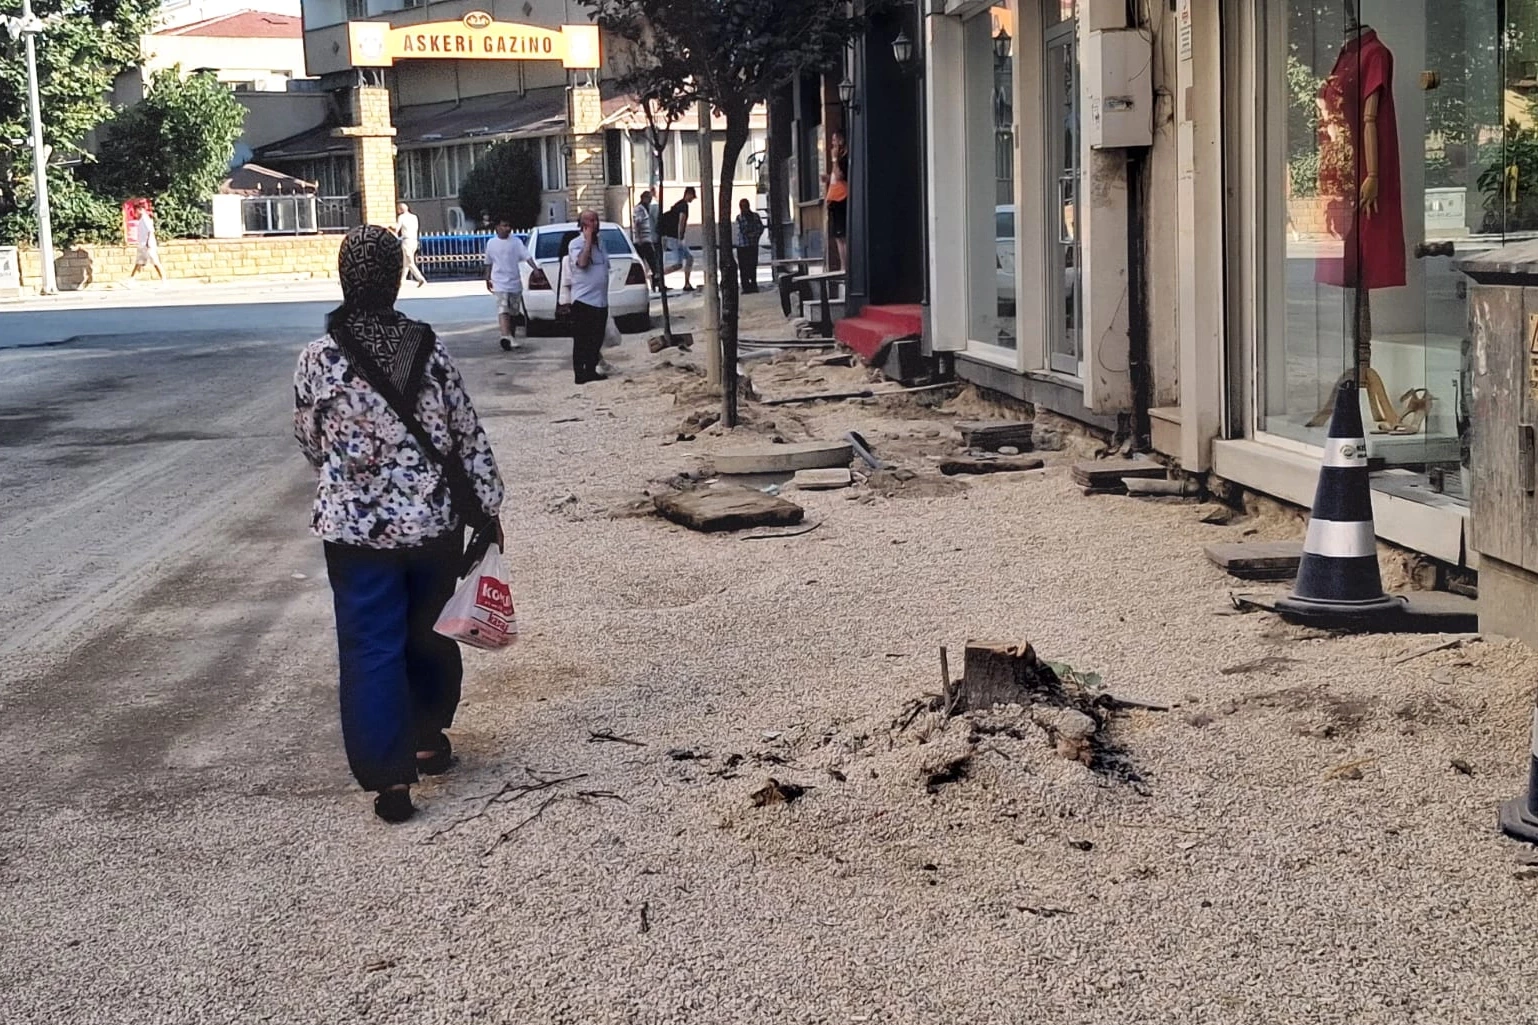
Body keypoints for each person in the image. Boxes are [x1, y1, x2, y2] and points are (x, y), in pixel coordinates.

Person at [293, 224, 505, 824]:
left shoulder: (317, 358)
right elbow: (464, 432)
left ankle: (389, 782)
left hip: (356, 533)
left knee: (369, 646)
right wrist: (487, 510)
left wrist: (350, 480)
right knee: (429, 631)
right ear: (392, 279)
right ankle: (429, 738)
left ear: (345, 278)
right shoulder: (428, 349)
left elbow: (310, 441)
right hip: (431, 525)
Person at [567, 209, 610, 384]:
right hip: (584, 300)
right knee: (582, 339)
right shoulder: (576, 244)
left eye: (597, 220)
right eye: (591, 221)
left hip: (600, 300)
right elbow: (583, 263)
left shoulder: (601, 242)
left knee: (597, 338)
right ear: (583, 225)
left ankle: (591, 369)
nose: (595, 224)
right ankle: (580, 373)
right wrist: (587, 241)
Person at [484, 218, 538, 352]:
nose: (507, 228)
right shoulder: (491, 243)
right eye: (504, 225)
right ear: (497, 227)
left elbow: (527, 256)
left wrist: (535, 269)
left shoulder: (516, 242)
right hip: (499, 282)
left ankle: (511, 337)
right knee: (503, 309)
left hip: (514, 282)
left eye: (509, 225)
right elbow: (488, 261)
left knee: (513, 312)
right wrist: (487, 278)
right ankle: (505, 336)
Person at [659, 186, 696, 293]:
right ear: (688, 194)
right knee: (679, 264)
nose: (692, 199)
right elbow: (681, 221)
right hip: (674, 237)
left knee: (689, 258)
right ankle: (658, 276)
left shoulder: (677, 205)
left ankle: (687, 283)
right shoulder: (683, 206)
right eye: (692, 196)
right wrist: (680, 237)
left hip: (669, 236)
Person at [824, 132, 850, 272]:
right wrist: (828, 178)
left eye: (835, 139)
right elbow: (836, 177)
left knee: (842, 236)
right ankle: (843, 265)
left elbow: (840, 175)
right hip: (835, 198)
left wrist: (834, 159)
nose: (832, 143)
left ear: (841, 140)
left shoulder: (843, 158)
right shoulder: (840, 158)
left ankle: (844, 267)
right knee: (838, 237)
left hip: (841, 199)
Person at [631, 190, 661, 293]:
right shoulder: (639, 209)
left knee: (650, 262)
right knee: (650, 262)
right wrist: (639, 238)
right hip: (643, 241)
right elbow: (637, 223)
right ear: (644, 198)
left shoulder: (644, 208)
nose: (650, 200)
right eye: (649, 198)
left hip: (646, 239)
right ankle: (655, 282)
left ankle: (656, 282)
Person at [733, 198, 765, 294]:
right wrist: (752, 233)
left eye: (745, 206)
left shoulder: (755, 216)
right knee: (743, 267)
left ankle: (753, 285)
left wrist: (754, 235)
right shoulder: (739, 218)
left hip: (752, 245)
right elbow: (742, 230)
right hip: (742, 246)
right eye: (742, 207)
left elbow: (760, 228)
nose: (744, 209)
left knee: (752, 265)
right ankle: (745, 286)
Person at [393, 202, 427, 288]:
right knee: (406, 262)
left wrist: (391, 228)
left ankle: (420, 278)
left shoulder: (401, 217)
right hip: (414, 241)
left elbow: (397, 229)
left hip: (407, 241)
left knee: (410, 262)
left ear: (400, 210)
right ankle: (401, 280)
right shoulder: (414, 217)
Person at [129, 203, 164, 281]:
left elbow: (150, 231)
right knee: (139, 262)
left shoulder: (145, 219)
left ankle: (163, 279)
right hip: (142, 244)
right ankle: (131, 279)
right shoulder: (141, 219)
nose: (135, 213)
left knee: (155, 262)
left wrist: (149, 242)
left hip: (148, 245)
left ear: (140, 210)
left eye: (136, 211)